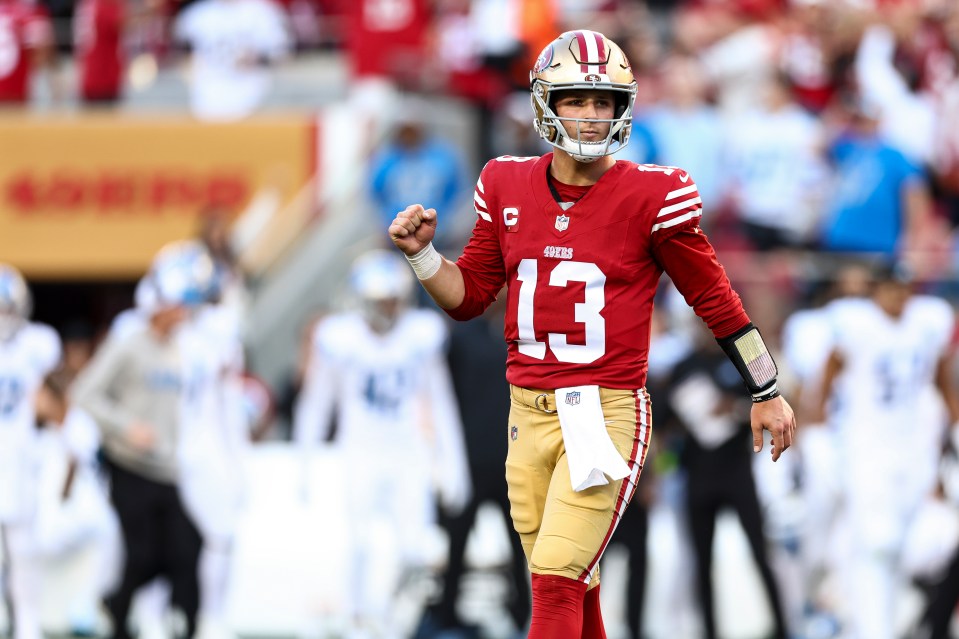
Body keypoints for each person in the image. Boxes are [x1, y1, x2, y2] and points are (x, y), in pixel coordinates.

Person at [388, 29, 797, 636]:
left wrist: (765, 390)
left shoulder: (652, 195)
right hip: (525, 414)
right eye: (576, 99)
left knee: (555, 581)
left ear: (623, 108)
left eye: (602, 102)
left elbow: (716, 300)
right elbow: (469, 296)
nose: (589, 115)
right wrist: (424, 258)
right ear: (545, 104)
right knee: (572, 588)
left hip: (603, 414)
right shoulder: (504, 183)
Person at [293, 249, 471, 637]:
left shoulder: (419, 335)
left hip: (407, 452)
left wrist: (452, 464)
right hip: (360, 450)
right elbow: (315, 404)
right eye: (381, 300)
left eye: (393, 299)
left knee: (415, 550)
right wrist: (302, 462)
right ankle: (358, 619)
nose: (389, 308)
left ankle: (392, 620)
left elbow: (440, 404)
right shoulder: (340, 338)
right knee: (358, 544)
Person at [72, 241, 218, 639]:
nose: (185, 313)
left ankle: (173, 620)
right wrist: (125, 427)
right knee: (143, 554)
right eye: (180, 303)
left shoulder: (178, 349)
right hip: (130, 465)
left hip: (165, 467)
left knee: (189, 546)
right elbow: (85, 393)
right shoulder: (130, 342)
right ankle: (119, 617)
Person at [811, 262, 959, 639]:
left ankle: (882, 625)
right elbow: (828, 375)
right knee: (877, 543)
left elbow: (941, 377)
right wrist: (818, 426)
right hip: (867, 449)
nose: (898, 296)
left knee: (902, 549)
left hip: (912, 451)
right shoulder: (857, 325)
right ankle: (871, 629)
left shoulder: (926, 323)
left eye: (903, 288)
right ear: (876, 291)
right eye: (891, 288)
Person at [0, 264, 62, 639]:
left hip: (22, 457)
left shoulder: (38, 344)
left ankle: (27, 623)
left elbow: (52, 401)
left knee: (24, 551)